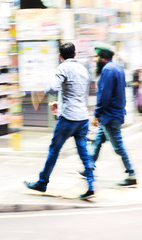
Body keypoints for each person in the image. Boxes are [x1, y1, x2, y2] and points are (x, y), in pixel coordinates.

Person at [24, 42, 95, 200]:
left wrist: (42, 90)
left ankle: (42, 183)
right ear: (75, 54)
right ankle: (91, 185)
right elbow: (77, 93)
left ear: (60, 56)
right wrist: (60, 103)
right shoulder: (83, 69)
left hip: (68, 118)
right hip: (82, 117)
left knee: (54, 151)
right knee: (84, 152)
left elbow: (53, 89)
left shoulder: (62, 68)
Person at [80, 44, 137, 186]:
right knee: (97, 141)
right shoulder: (118, 68)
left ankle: (131, 174)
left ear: (103, 58)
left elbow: (104, 95)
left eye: (96, 57)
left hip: (109, 116)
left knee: (118, 146)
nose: (94, 60)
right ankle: (89, 168)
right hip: (114, 114)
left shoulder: (107, 71)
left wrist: (96, 114)